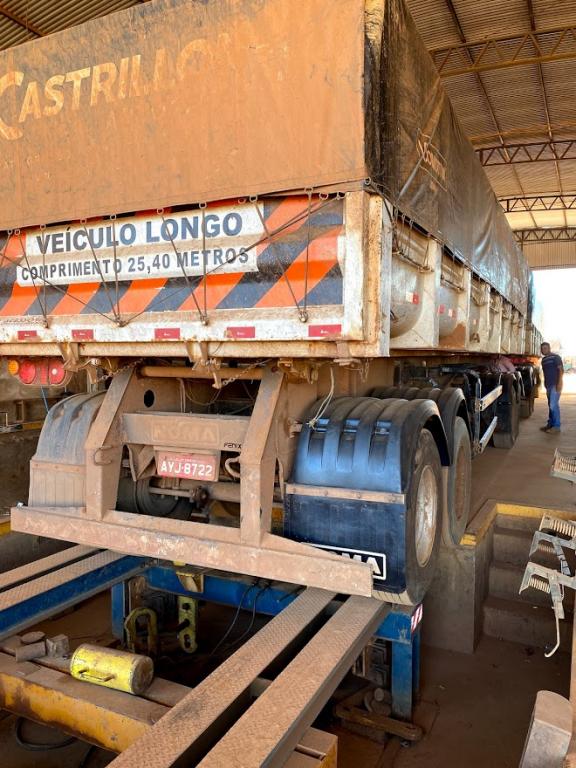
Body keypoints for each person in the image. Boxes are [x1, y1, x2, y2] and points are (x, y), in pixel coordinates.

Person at [540, 342, 563, 433]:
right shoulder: (544, 360)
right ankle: (550, 424)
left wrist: (559, 383)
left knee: (553, 405)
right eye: (542, 349)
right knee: (550, 405)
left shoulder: (556, 357)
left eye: (545, 348)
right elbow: (545, 372)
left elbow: (561, 370)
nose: (543, 350)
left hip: (555, 385)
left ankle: (556, 426)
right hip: (548, 385)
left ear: (549, 348)